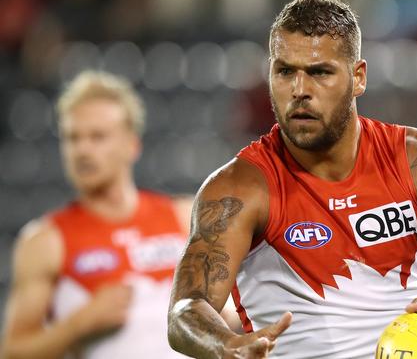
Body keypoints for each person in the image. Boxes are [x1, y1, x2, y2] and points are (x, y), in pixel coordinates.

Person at [167, 0, 417, 359]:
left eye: (320, 72)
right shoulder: (239, 187)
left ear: (358, 77)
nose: (299, 90)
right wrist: (226, 345)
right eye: (285, 71)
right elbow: (186, 310)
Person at [0, 70, 240, 359]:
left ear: (131, 144)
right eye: (72, 138)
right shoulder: (45, 241)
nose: (83, 150)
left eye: (97, 137)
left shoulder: (184, 216)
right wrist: (78, 325)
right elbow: (12, 352)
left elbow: (228, 315)